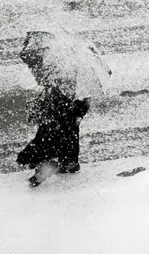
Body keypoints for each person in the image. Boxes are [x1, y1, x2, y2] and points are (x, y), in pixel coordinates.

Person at [17, 38, 92, 188]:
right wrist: (79, 114)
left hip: (56, 117)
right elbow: (83, 103)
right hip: (65, 118)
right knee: (63, 143)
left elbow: (52, 96)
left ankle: (47, 167)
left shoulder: (54, 73)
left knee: (51, 143)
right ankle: (63, 164)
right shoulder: (79, 79)